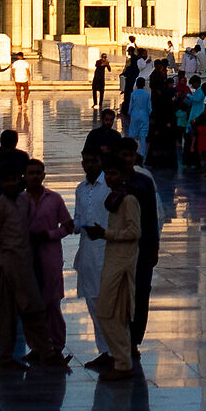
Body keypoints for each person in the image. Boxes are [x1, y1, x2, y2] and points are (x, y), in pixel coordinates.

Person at [0, 174, 58, 369]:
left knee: (35, 310)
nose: (11, 183)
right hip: (6, 266)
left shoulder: (24, 202)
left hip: (24, 266)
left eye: (14, 179)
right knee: (7, 316)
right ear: (1, 183)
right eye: (7, 180)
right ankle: (6, 358)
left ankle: (47, 353)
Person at [23, 161, 76, 366]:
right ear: (25, 176)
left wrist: (50, 234)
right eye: (31, 173)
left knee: (52, 304)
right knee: (29, 305)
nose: (35, 177)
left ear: (44, 175)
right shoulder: (20, 201)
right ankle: (36, 347)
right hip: (27, 259)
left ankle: (56, 345)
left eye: (38, 173)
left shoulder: (54, 199)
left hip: (50, 258)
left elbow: (68, 225)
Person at [94, 169, 141, 379]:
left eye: (115, 173)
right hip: (113, 259)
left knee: (106, 311)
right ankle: (122, 361)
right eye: (108, 174)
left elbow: (134, 231)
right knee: (115, 313)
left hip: (122, 262)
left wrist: (106, 234)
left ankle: (122, 362)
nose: (110, 178)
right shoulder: (115, 198)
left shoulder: (129, 200)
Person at [119, 142, 165, 350]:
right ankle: (120, 338)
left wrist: (154, 246)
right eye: (123, 155)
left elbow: (155, 217)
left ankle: (134, 339)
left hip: (143, 248)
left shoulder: (145, 182)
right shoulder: (111, 180)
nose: (127, 160)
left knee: (141, 293)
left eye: (130, 155)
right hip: (119, 250)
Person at [72, 150, 113, 364]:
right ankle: (105, 351)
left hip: (107, 250)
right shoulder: (81, 189)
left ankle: (116, 351)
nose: (88, 164)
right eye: (85, 161)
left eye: (92, 160)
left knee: (107, 304)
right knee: (93, 303)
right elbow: (78, 221)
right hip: (87, 252)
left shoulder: (109, 187)